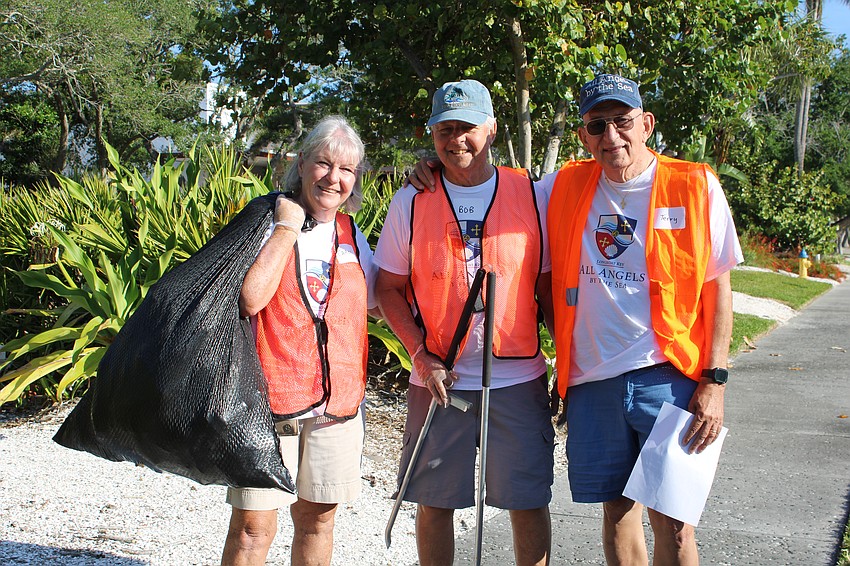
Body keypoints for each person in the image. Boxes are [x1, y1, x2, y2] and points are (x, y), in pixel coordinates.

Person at [543, 73, 743, 565]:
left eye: (622, 121)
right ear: (582, 135)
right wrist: (430, 170)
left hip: (670, 376)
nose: (611, 137)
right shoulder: (562, 184)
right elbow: (492, 192)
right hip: (592, 381)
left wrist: (714, 382)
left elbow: (719, 289)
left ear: (646, 123)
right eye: (596, 126)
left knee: (674, 526)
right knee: (617, 513)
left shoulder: (695, 185)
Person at [374, 79, 555, 566]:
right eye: (444, 130)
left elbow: (545, 288)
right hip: (438, 379)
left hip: (517, 377)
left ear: (492, 129)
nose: (456, 140)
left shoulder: (533, 194)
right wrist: (420, 354)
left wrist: (571, 363)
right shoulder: (410, 200)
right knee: (434, 502)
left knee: (526, 501)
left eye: (467, 128)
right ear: (431, 135)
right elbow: (387, 288)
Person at [221, 115, 378, 566]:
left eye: (346, 169)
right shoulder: (265, 221)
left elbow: (375, 301)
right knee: (253, 527)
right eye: (324, 163)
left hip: (336, 406)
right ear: (302, 163)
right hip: (268, 402)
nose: (334, 178)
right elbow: (251, 299)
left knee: (318, 519)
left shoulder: (352, 236)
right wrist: (288, 226)